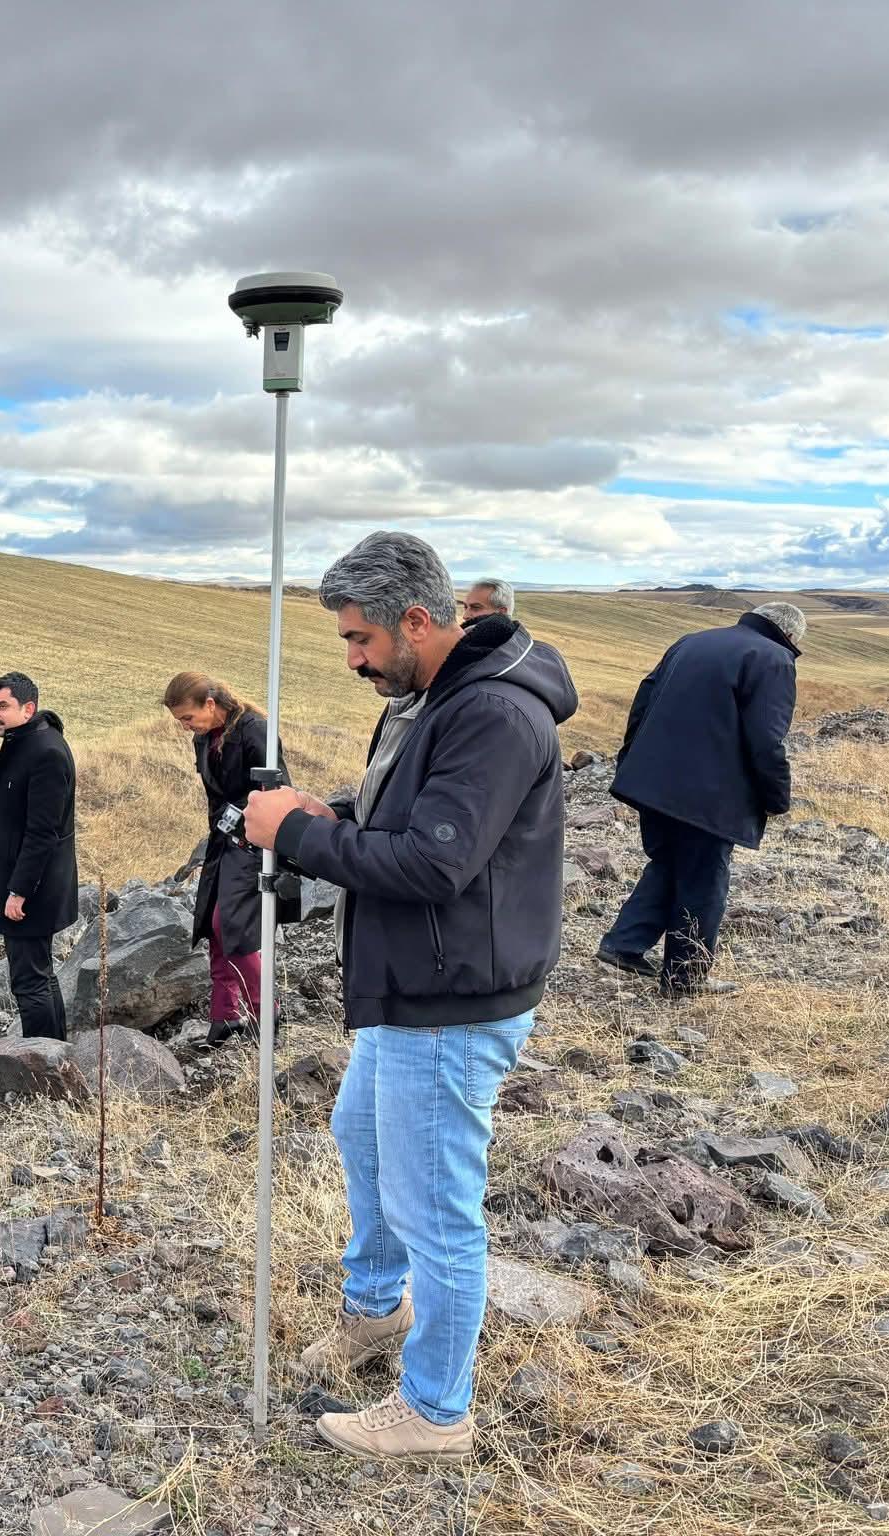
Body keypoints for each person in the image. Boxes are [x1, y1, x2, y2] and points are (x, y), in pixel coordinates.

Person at [241, 531, 577, 1460]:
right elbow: (408, 813)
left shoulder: (495, 717)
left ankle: (435, 1410)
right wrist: (329, 814)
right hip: (414, 985)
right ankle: (376, 1307)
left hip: (455, 998)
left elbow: (436, 862)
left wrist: (298, 840)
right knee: (363, 1134)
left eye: (359, 640)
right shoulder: (432, 699)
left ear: (417, 621)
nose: (352, 660)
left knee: (436, 1203)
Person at [597, 601, 804, 993]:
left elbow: (644, 700)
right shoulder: (774, 658)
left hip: (652, 780)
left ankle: (624, 944)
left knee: (671, 862)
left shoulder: (692, 641)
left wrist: (631, 762)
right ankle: (685, 980)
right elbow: (766, 739)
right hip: (709, 793)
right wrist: (777, 797)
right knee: (704, 882)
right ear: (790, 635)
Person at [161, 671, 290, 1045]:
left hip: (254, 843)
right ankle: (225, 1016)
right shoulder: (205, 738)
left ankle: (267, 1008)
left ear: (211, 705)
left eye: (188, 718)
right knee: (212, 928)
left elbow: (278, 791)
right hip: (222, 842)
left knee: (228, 925)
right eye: (180, 721)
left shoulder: (256, 730)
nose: (186, 727)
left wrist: (243, 824)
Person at [0, 672, 78, 1040]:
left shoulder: (45, 751)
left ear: (28, 708)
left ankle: (42, 1066)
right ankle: (56, 1052)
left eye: (3, 706)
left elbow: (43, 831)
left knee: (29, 981)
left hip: (33, 891)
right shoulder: (23, 742)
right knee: (39, 973)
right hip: (28, 885)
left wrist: (19, 891)